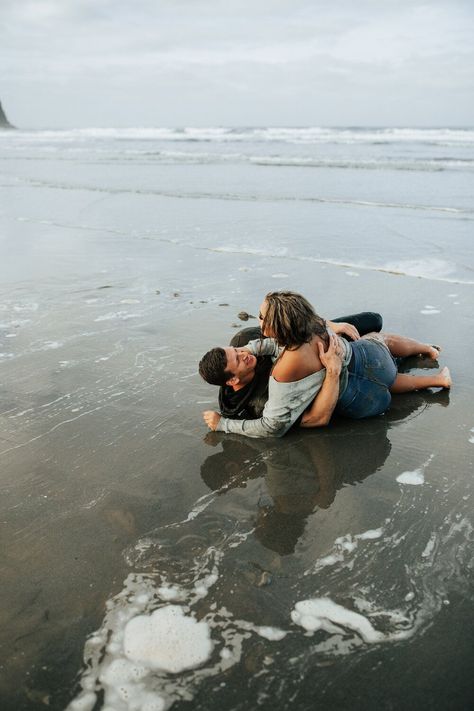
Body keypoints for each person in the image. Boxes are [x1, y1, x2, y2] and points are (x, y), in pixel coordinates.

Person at [199, 291, 451, 438]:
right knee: (379, 338)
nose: (260, 324)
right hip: (373, 359)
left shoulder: (285, 368)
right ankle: (428, 352)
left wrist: (223, 424)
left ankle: (437, 380)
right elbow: (276, 343)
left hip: (366, 401)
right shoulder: (315, 325)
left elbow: (272, 426)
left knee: (385, 379)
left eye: (263, 318)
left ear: (279, 325)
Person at [219, 311, 383, 420]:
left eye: (237, 352)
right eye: (238, 360)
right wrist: (333, 372)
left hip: (311, 338)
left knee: (374, 320)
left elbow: (285, 321)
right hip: (326, 368)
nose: (244, 354)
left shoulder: (243, 339)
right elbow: (315, 418)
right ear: (232, 380)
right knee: (379, 347)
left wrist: (330, 326)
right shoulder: (262, 404)